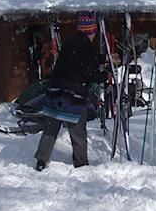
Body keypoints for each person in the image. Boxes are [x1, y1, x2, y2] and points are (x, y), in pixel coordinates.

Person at [34, 11, 107, 171]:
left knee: (51, 128)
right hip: (73, 94)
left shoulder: (70, 42)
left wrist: (103, 58)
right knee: (77, 131)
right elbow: (90, 72)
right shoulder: (86, 47)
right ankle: (81, 164)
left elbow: (79, 59)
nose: (94, 35)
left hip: (55, 90)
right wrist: (105, 75)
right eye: (93, 32)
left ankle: (41, 160)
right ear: (90, 32)